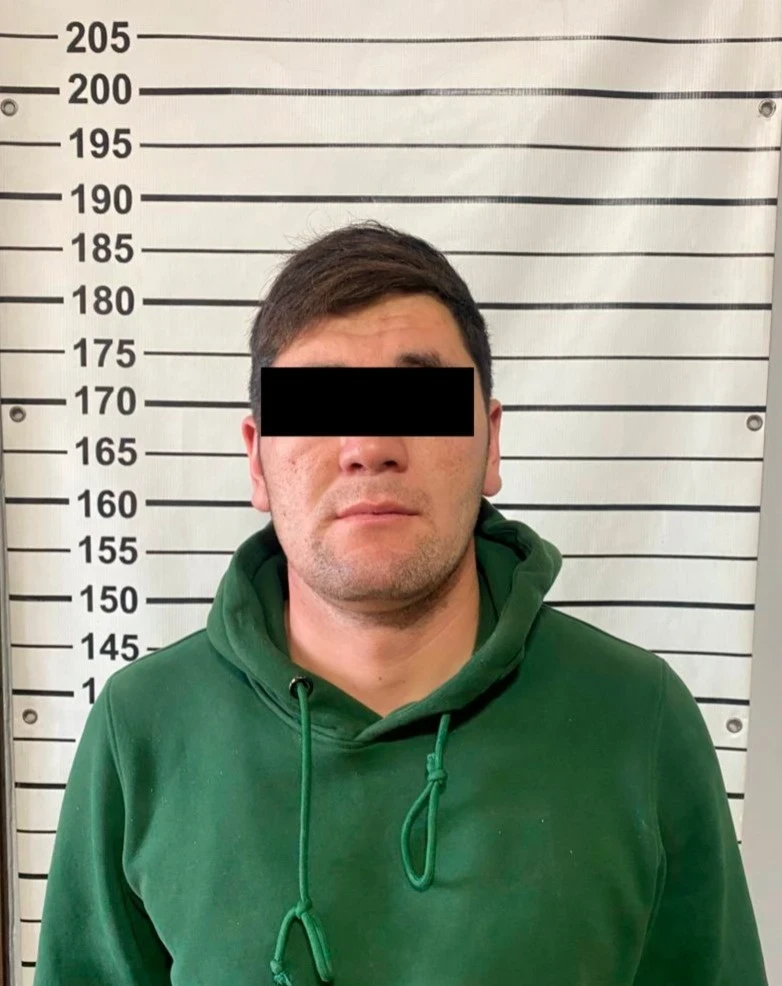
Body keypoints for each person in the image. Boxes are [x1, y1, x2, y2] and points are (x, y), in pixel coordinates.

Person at [33, 221, 768, 985]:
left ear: (490, 442)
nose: (370, 444)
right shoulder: (142, 731)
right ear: (256, 460)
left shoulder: (638, 719)